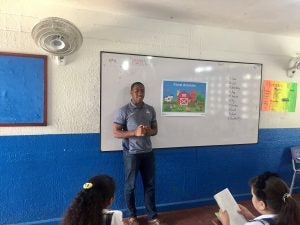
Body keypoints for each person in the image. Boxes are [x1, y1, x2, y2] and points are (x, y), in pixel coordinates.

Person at [113, 82, 166, 225]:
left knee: (150, 185)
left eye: (142, 90)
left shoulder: (150, 110)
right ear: (131, 93)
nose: (140, 93)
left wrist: (149, 131)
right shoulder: (123, 110)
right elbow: (115, 132)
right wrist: (134, 133)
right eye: (136, 90)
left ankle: (152, 217)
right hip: (131, 154)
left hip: (148, 153)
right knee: (130, 186)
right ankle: (132, 217)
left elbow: (155, 130)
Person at [215, 171, 300, 225]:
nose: (252, 198)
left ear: (262, 204)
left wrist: (225, 223)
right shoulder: (292, 215)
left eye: (253, 195)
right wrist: (252, 217)